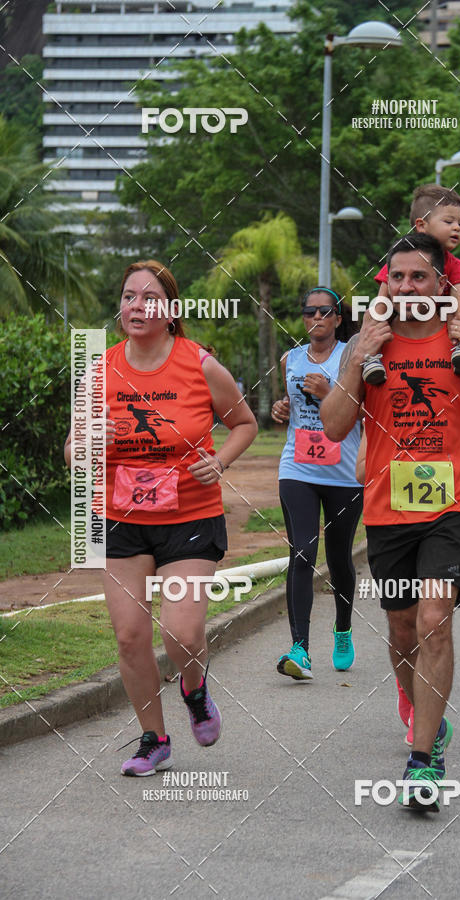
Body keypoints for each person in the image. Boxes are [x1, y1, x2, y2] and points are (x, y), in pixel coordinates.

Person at [64, 260, 257, 775]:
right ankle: (154, 740)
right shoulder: (100, 369)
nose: (137, 306)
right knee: (130, 636)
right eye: (129, 296)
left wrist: (220, 460)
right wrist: (86, 443)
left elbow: (243, 422)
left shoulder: (200, 364)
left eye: (150, 297)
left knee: (181, 632)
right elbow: (70, 452)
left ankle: (194, 689)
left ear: (172, 311)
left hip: (189, 518)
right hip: (121, 518)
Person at [321, 234, 460, 811]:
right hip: (389, 507)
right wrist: (355, 353)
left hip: (455, 503)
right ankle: (421, 708)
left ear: (443, 286)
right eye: (397, 278)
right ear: (385, 283)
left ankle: (423, 765)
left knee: (434, 620)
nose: (407, 288)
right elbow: (335, 426)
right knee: (400, 632)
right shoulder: (371, 346)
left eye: (419, 278)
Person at [271, 287, 363, 680]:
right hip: (298, 470)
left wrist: (332, 395)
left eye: (326, 311)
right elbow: (289, 406)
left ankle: (342, 627)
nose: (316, 318)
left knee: (340, 558)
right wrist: (281, 408)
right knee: (303, 553)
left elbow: (369, 415)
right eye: (309, 312)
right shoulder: (288, 358)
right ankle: (300, 649)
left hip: (343, 474)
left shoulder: (354, 358)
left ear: (339, 319)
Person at [362, 184, 460, 384]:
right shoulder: (402, 256)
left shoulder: (454, 264)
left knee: (458, 312)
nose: (457, 227)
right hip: (400, 317)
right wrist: (373, 326)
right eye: (449, 221)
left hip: (438, 321)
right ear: (422, 225)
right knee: (373, 313)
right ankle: (370, 358)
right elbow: (382, 299)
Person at [356, 430, 413, 744]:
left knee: (433, 619)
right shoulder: (385, 413)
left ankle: (426, 715)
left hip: (443, 520)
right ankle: (408, 687)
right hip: (391, 524)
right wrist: (402, 460)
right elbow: (362, 471)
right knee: (403, 624)